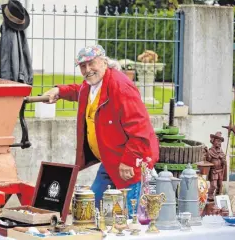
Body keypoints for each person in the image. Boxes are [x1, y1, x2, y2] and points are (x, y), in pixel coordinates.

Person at [42, 45, 159, 217]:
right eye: (83, 66)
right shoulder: (92, 84)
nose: (88, 70)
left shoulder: (121, 87)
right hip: (110, 159)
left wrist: (130, 160)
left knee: (131, 219)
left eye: (91, 63)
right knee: (90, 211)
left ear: (104, 62)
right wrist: (59, 90)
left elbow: (140, 130)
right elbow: (78, 91)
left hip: (131, 164)